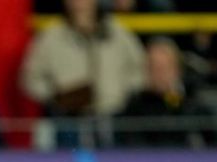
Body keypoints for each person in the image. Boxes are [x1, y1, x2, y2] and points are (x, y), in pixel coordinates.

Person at [21, 0, 145, 148]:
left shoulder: (117, 33)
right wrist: (56, 96)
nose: (79, 4)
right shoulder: (51, 37)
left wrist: (121, 92)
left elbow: (140, 69)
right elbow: (29, 79)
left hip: (112, 119)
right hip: (69, 122)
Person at [115, 38, 217, 149]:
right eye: (153, 68)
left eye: (163, 68)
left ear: (177, 70)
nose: (158, 74)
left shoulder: (193, 107)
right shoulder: (133, 108)